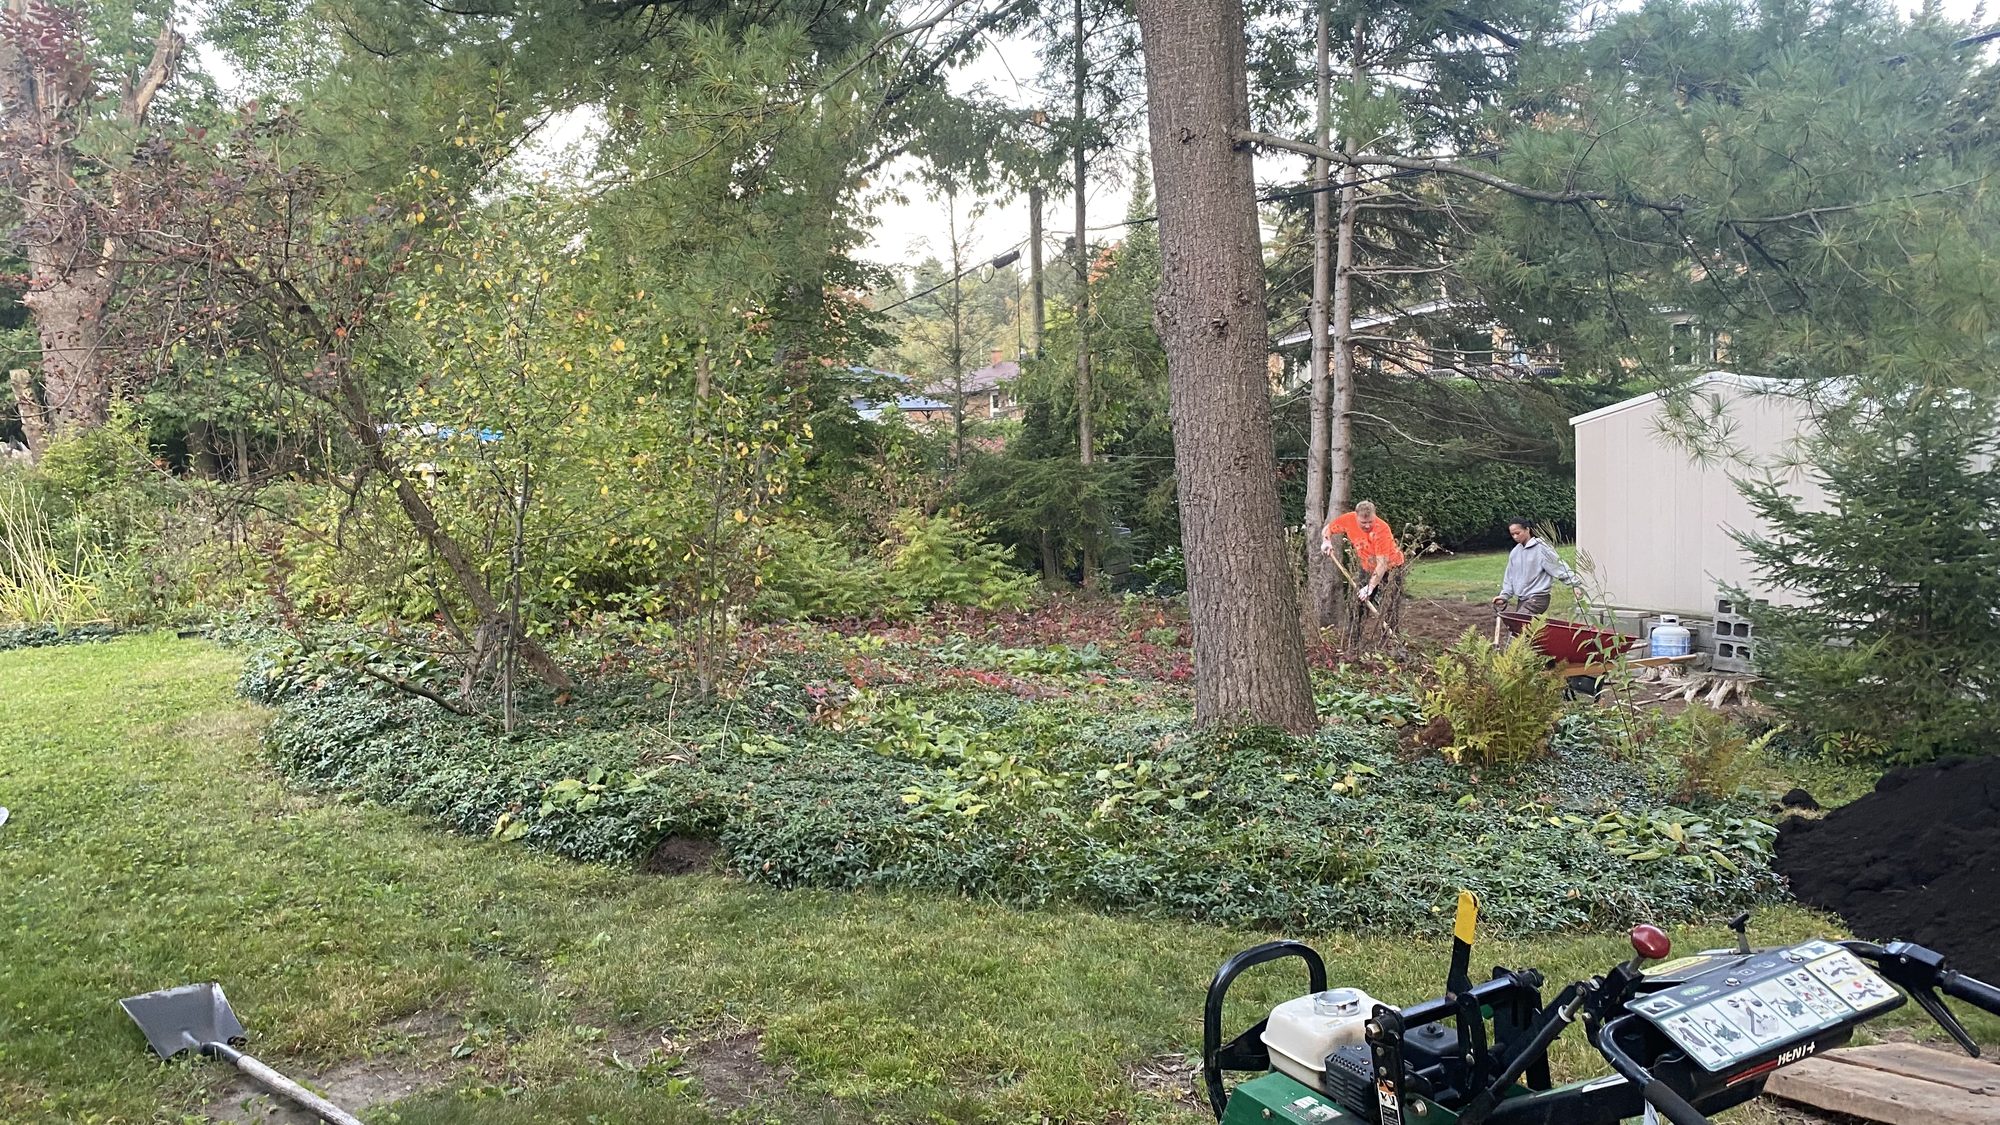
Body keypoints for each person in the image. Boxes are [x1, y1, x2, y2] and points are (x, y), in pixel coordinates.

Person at [1321, 500, 1405, 602]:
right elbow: (1328, 528)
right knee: (1358, 602)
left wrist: (1370, 587)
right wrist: (1326, 541)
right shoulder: (1348, 519)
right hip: (1367, 566)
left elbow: (1382, 564)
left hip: (1391, 567)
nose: (1367, 526)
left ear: (1374, 516)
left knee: (1388, 605)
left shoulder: (1381, 530)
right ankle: (1357, 617)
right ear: (1356, 517)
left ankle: (1386, 617)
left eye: (1370, 522)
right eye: (1363, 522)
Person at [1493, 520, 1581, 616]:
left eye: (1518, 533)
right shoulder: (1515, 552)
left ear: (1527, 529)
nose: (1515, 537)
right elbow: (1510, 577)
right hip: (1523, 599)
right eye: (1512, 534)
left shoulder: (1541, 548)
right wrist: (1504, 596)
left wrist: (1575, 584)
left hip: (1538, 598)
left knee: (1520, 623)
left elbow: (1558, 567)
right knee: (1520, 628)